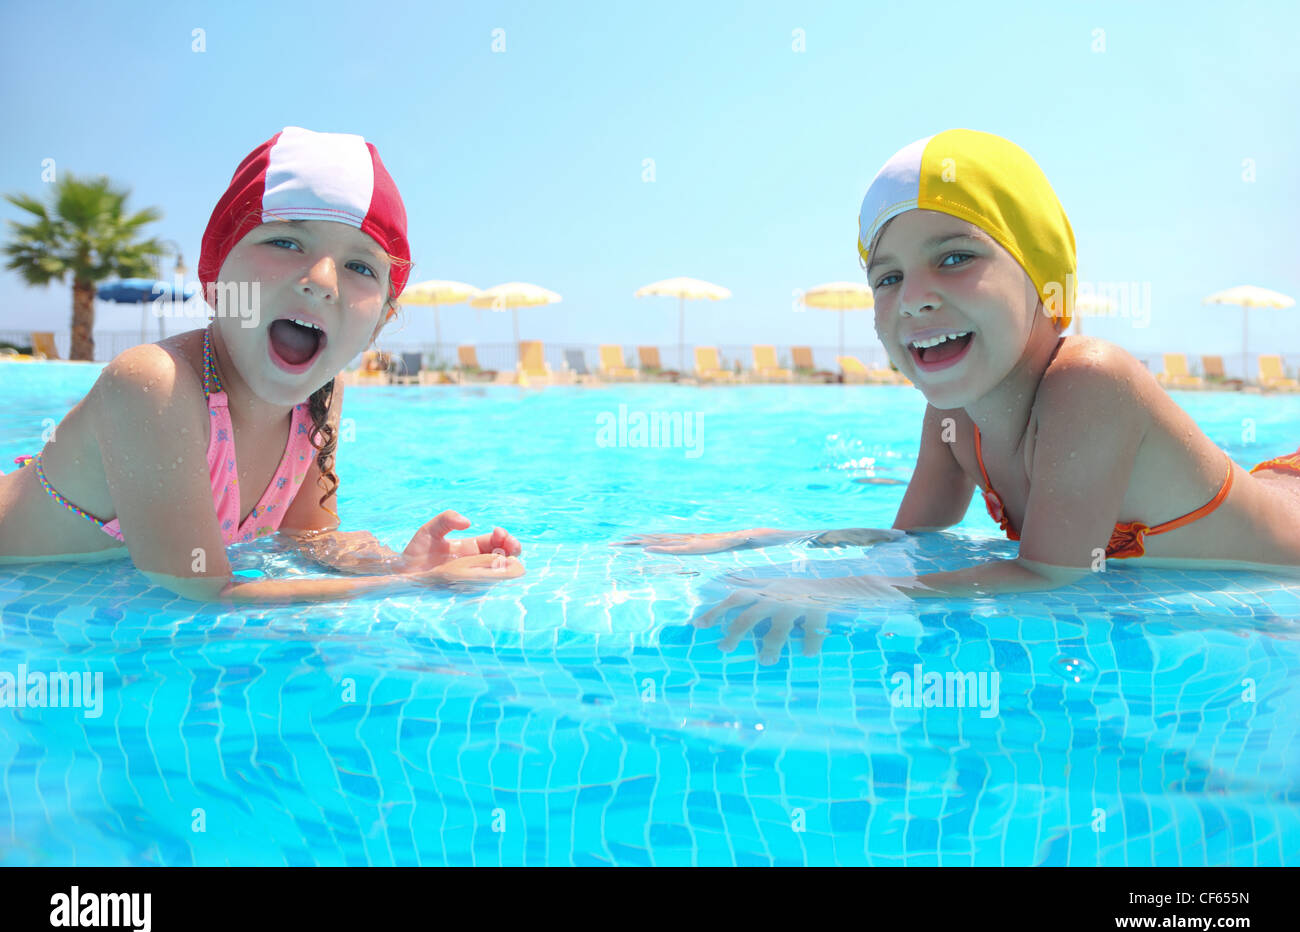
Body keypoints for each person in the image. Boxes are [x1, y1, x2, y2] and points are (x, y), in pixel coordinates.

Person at [619, 129, 1300, 663]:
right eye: (887, 279)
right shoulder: (950, 419)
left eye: (954, 258)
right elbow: (910, 539)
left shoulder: (1092, 381)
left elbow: (1052, 577)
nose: (914, 298)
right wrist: (763, 540)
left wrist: (846, 590)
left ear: (1043, 280)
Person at [0, 126, 523, 602]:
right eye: (284, 241)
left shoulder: (320, 398)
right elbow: (201, 592)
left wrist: (401, 560)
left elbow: (310, 535)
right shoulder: (154, 386)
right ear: (215, 276)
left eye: (360, 265)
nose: (320, 278)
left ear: (381, 321)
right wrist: (408, 585)